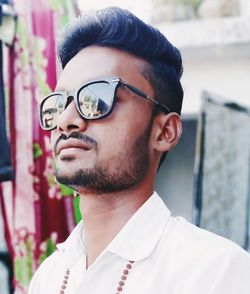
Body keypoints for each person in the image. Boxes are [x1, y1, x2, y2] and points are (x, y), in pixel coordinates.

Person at [29, 6, 250, 294]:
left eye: (98, 97)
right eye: (59, 103)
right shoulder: (50, 276)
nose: (66, 120)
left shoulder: (214, 272)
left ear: (165, 131)